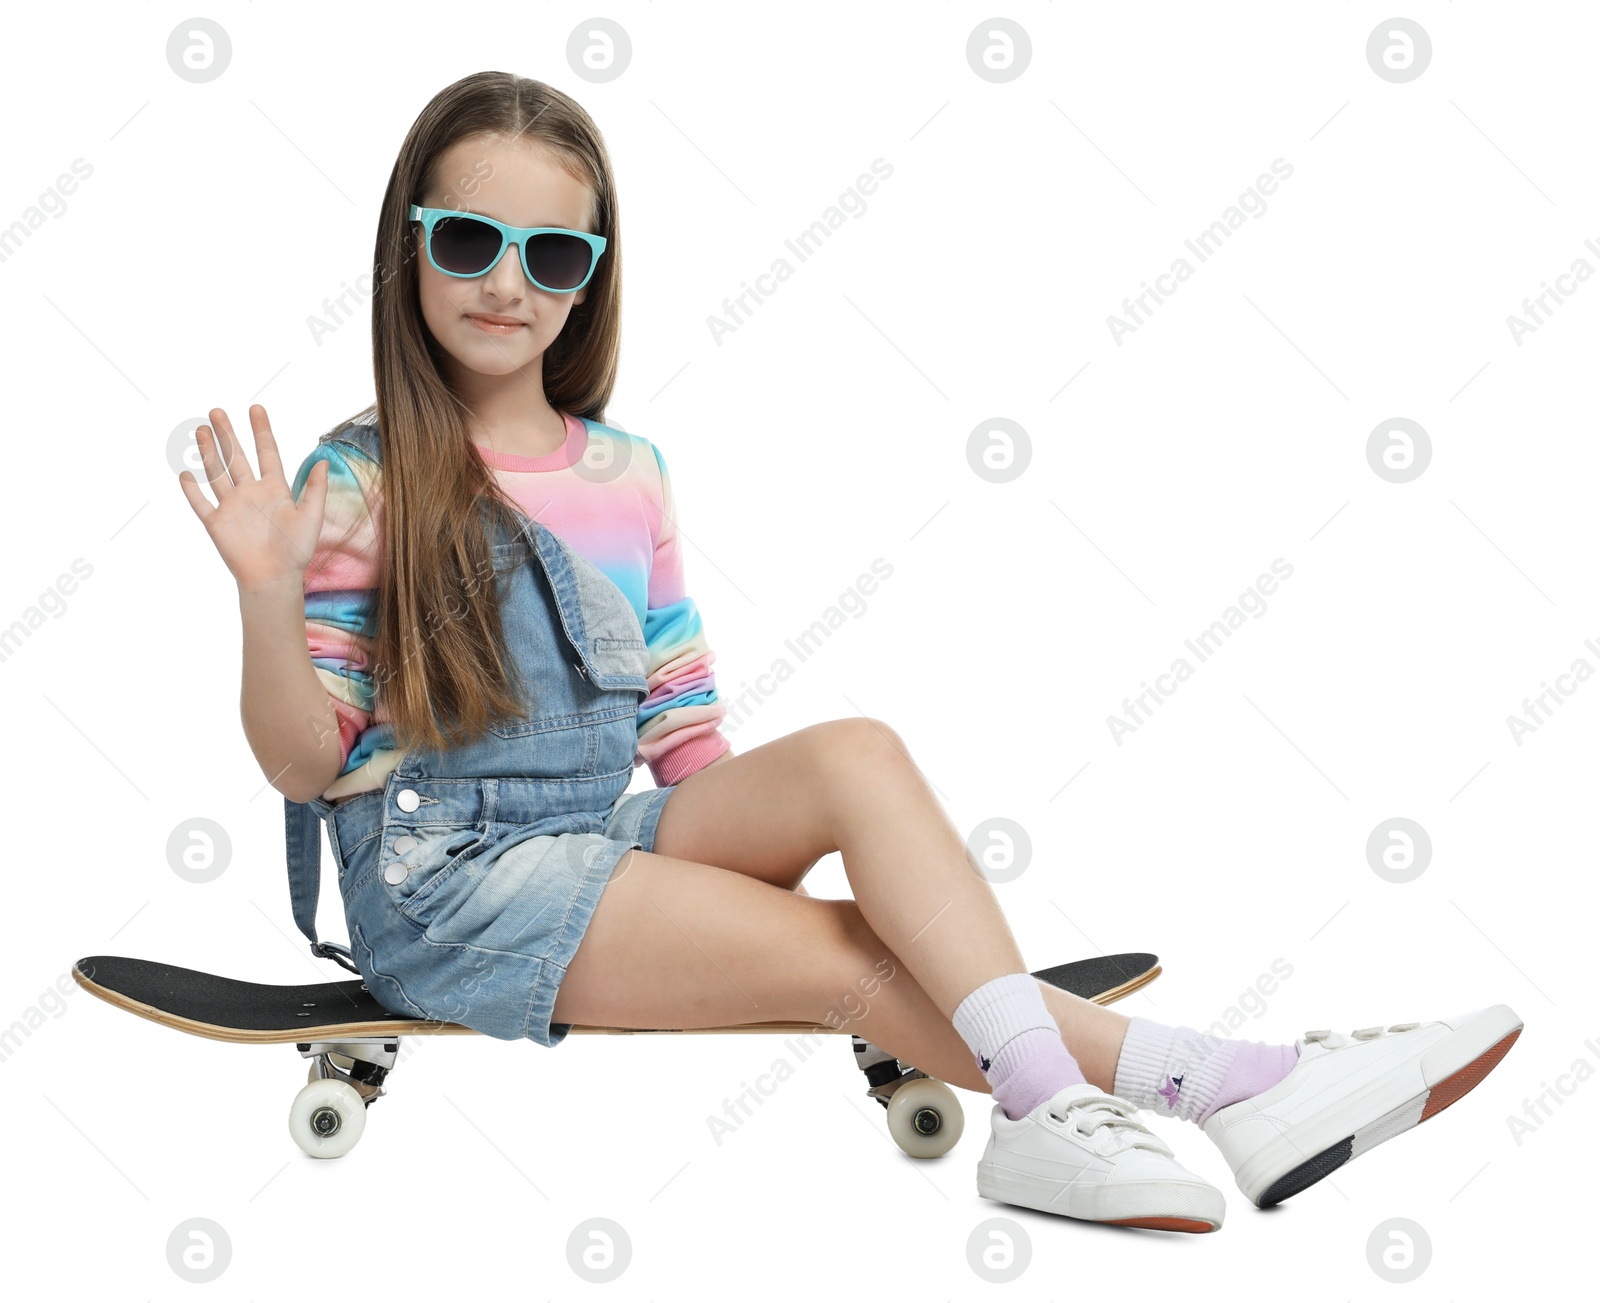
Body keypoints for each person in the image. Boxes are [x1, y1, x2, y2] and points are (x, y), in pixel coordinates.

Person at [177, 70, 1521, 1232]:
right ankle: (1205, 1089)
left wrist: (771, 841)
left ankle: (1172, 1099)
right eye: (468, 239)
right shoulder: (358, 478)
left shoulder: (630, 473)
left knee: (856, 758)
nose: (507, 284)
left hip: (590, 850)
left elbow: (685, 731)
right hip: (445, 885)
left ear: (594, 278)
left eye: (555, 256)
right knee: (841, 955)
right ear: (408, 246)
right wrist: (264, 589)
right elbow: (306, 766)